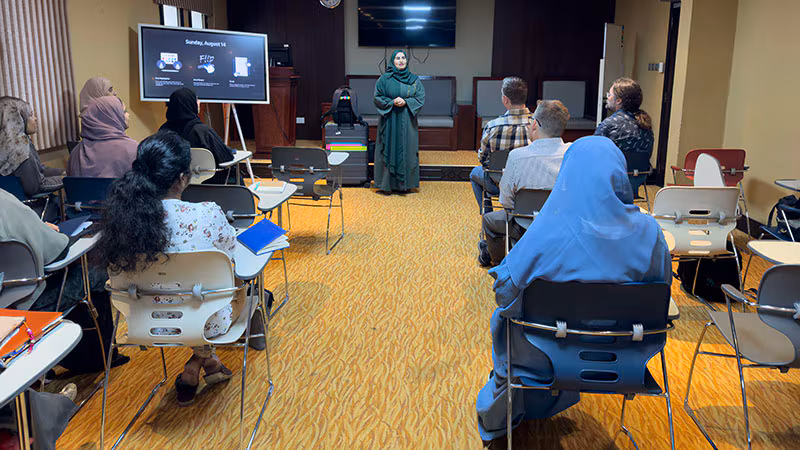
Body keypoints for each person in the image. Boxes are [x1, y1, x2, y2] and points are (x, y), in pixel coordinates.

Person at [475, 136, 672, 441]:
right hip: (624, 356)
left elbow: (504, 293)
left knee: (508, 316)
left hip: (543, 355)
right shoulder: (650, 232)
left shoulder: (546, 229)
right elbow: (662, 290)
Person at [97, 131, 258, 406]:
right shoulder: (207, 213)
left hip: (147, 321)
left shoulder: (121, 222)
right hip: (209, 320)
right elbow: (233, 254)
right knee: (236, 284)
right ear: (183, 178)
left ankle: (202, 366)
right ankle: (197, 364)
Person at [0, 189, 129, 373]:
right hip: (27, 306)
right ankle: (100, 358)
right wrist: (42, 230)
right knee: (94, 272)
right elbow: (57, 250)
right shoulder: (5, 202)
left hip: (4, 312)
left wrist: (37, 228)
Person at [478, 100, 571, 267]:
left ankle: (501, 264)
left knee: (489, 220)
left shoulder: (517, 157)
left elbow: (505, 201)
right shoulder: (572, 154)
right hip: (561, 225)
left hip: (524, 224)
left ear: (534, 124)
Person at [470, 77, 532, 213]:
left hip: (498, 184)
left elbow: (483, 159)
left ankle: (488, 217)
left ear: (505, 99)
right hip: (529, 185)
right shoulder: (536, 126)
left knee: (474, 173)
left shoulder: (492, 126)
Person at [373, 50, 425, 193]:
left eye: (403, 58)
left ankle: (405, 185)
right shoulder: (384, 79)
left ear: (407, 61)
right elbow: (377, 98)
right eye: (397, 58)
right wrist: (391, 102)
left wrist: (406, 101)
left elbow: (420, 98)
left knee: (407, 149)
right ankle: (386, 185)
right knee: (388, 149)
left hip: (407, 121)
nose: (401, 60)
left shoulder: (414, 80)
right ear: (392, 61)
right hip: (389, 120)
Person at [160, 88, 234, 184]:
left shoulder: (163, 132)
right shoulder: (202, 131)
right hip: (209, 185)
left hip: (173, 186)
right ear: (190, 104)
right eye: (196, 100)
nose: (199, 102)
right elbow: (226, 157)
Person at [595, 77, 654, 198]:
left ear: (618, 101)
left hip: (613, 181)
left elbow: (594, 151)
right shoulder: (645, 124)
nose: (608, 97)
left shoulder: (609, 124)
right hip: (639, 177)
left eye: (610, 95)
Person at [0, 97, 64, 197]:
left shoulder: (6, 145)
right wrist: (67, 179)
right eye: (30, 115)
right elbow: (37, 187)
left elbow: (40, 169)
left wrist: (63, 171)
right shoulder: (20, 149)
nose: (35, 118)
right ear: (17, 119)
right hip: (30, 208)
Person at [68, 96, 137, 178]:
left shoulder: (76, 152)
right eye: (124, 111)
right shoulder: (132, 148)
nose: (128, 115)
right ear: (111, 116)